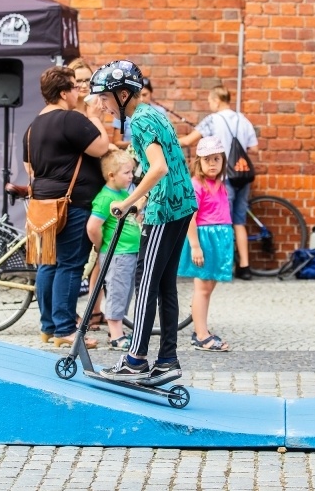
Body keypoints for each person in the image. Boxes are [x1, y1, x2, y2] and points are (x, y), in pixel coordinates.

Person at [90, 60, 197, 385]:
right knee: (164, 285)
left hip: (165, 209)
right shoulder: (152, 113)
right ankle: (167, 360)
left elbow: (159, 167)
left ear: (123, 94)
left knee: (148, 283)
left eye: (107, 99)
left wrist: (128, 201)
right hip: (181, 204)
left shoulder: (139, 121)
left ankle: (136, 360)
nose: (106, 106)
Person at [21, 66, 109, 348]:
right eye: (73, 87)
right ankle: (65, 329)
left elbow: (29, 166)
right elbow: (101, 148)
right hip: (72, 204)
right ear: (62, 92)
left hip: (43, 204)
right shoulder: (70, 119)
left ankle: (48, 326)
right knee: (71, 266)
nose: (78, 91)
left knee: (49, 264)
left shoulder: (33, 125)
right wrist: (95, 117)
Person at [178, 86, 258, 280]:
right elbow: (254, 148)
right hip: (243, 175)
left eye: (210, 101)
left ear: (215, 100)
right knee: (238, 221)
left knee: (219, 220)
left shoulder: (212, 120)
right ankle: (244, 266)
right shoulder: (243, 119)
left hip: (223, 179)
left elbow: (189, 141)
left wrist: (171, 141)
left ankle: (220, 263)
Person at [177, 136, 233, 352]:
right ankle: (201, 335)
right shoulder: (197, 184)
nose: (212, 164)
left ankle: (200, 328)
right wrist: (195, 245)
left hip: (219, 239)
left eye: (216, 159)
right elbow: (190, 217)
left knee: (208, 288)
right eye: (207, 159)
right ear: (198, 161)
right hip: (204, 239)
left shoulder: (220, 184)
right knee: (202, 288)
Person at [68, 57, 110, 330]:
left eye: (87, 80)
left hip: (99, 188)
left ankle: (95, 310)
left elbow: (108, 144)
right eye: (78, 80)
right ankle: (69, 314)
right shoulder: (71, 114)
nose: (83, 85)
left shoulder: (98, 109)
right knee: (75, 259)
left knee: (99, 251)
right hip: (77, 191)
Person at [86, 150, 141, 351]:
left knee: (125, 292)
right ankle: (116, 336)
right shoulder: (105, 197)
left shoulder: (122, 193)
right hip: (117, 253)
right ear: (112, 175)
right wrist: (102, 246)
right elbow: (93, 226)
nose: (131, 176)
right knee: (117, 291)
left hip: (128, 251)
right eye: (127, 172)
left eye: (131, 172)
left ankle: (115, 329)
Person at [111, 77, 166, 150]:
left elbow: (166, 138)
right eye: (138, 95)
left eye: (145, 95)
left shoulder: (159, 112)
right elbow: (117, 143)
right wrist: (138, 143)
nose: (141, 99)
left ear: (151, 93)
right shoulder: (122, 114)